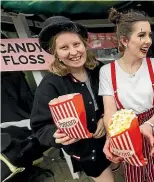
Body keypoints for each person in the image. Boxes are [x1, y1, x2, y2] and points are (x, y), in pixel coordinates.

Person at [30, 16, 114, 182]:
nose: (74, 52)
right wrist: (56, 134)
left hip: (112, 138)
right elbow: (39, 127)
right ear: (56, 53)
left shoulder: (98, 69)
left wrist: (105, 118)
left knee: (116, 167)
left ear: (84, 44)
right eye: (64, 47)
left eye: (76, 44)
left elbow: (115, 99)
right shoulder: (50, 85)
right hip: (88, 151)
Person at [98, 8, 154, 182]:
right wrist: (111, 136)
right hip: (125, 130)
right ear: (124, 40)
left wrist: (149, 125)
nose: (148, 41)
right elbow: (110, 113)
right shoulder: (107, 72)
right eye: (141, 35)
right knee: (134, 175)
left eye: (150, 35)